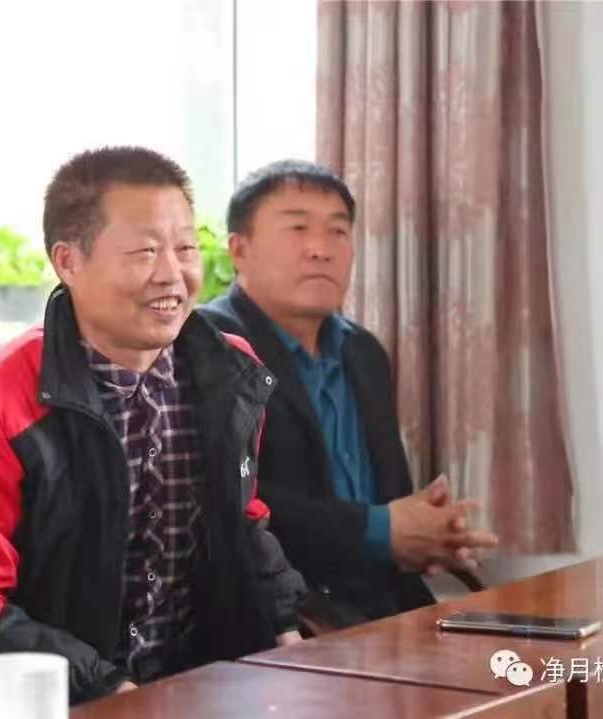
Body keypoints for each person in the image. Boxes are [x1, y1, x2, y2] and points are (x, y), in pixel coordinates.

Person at [0, 147, 306, 704]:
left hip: (200, 688)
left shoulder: (228, 372)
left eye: (186, 248)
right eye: (144, 251)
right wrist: (106, 686)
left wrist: (290, 641)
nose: (173, 274)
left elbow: (240, 520)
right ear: (68, 262)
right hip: (65, 700)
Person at [199, 160, 498, 627]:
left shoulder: (363, 351)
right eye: (297, 228)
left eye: (338, 232)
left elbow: (390, 497)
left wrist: (428, 533)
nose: (321, 249)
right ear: (240, 250)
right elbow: (226, 502)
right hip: (283, 617)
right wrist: (381, 531)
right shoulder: (212, 345)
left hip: (385, 604)